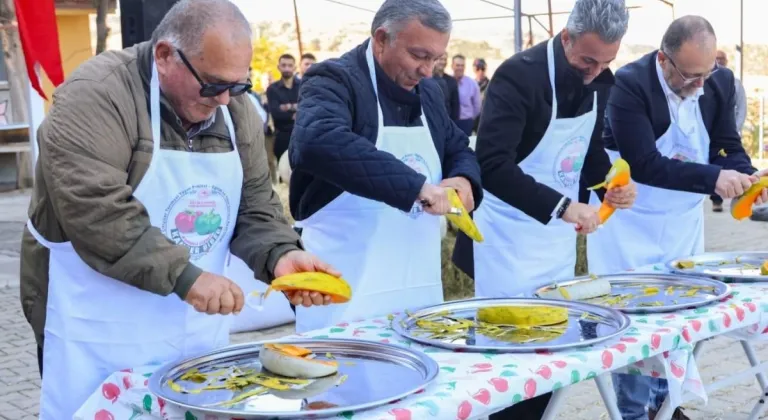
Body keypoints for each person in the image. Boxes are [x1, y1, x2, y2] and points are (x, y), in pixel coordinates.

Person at [20, 1, 336, 418]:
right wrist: (186, 277)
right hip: (97, 327)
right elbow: (96, 210)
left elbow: (255, 201)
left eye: (237, 86)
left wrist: (280, 253)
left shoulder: (232, 108)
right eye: (212, 85)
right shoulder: (95, 95)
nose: (224, 99)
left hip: (194, 329)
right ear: (165, 55)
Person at [453, 1, 636, 417]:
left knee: (551, 352)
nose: (595, 72)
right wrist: (563, 206)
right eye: (587, 60)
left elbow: (585, 149)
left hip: (554, 242)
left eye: (607, 61)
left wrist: (611, 184)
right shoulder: (519, 75)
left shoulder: (599, 78)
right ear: (566, 37)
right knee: (509, 358)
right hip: (507, 238)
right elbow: (492, 164)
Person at [584, 16, 767, 420]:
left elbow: (725, 146)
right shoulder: (629, 84)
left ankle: (669, 404)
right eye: (690, 74)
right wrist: (714, 179)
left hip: (681, 221)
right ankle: (633, 411)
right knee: (637, 321)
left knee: (681, 315)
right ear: (664, 60)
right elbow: (645, 163)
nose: (701, 83)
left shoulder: (717, 82)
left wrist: (747, 175)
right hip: (631, 220)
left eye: (708, 73)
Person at [288, 0, 482, 333]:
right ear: (381, 39)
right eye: (419, 56)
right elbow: (316, 140)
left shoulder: (430, 92)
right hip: (345, 294)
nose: (426, 70)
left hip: (417, 287)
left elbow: (457, 146)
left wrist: (464, 181)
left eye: (436, 59)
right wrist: (417, 187)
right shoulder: (334, 79)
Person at [710, 49, 748, 211]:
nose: (719, 61)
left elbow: (742, 108)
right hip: (711, 133)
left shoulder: (732, 81)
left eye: (721, 59)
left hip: (729, 133)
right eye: (716, 58)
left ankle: (742, 189)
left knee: (730, 165)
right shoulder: (702, 79)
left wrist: (736, 129)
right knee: (714, 168)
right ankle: (716, 200)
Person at [266, 54, 300, 162]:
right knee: (284, 173)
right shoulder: (272, 89)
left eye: (290, 65)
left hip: (302, 135)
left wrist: (287, 107)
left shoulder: (303, 85)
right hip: (283, 137)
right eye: (284, 65)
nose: (287, 68)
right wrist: (297, 110)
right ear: (278, 67)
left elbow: (308, 109)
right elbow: (276, 114)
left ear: (295, 67)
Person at [451, 54, 482, 135]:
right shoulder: (447, 81)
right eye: (457, 65)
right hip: (449, 122)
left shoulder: (472, 84)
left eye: (462, 65)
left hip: (466, 122)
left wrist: (470, 119)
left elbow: (477, 106)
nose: (460, 68)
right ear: (452, 66)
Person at [433, 53, 460, 121]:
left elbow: (455, 105)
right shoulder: (427, 79)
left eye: (445, 59)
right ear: (434, 60)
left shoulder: (452, 80)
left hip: (446, 122)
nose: (443, 62)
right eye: (441, 59)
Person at [473, 58, 489, 133]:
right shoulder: (471, 84)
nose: (480, 71)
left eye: (483, 69)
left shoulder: (491, 84)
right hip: (473, 121)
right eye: (478, 68)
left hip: (486, 120)